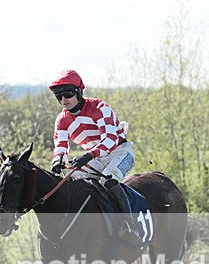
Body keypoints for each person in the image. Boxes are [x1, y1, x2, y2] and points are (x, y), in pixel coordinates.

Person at [48, 69, 141, 246]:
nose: (63, 100)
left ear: (79, 91)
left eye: (67, 93)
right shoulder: (61, 120)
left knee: (109, 180)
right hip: (94, 158)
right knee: (71, 181)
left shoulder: (99, 108)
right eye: (58, 96)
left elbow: (110, 140)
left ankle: (130, 226)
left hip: (120, 152)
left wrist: (88, 155)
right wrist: (57, 162)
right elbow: (61, 146)